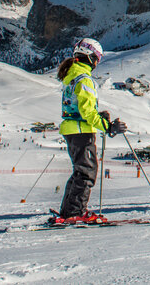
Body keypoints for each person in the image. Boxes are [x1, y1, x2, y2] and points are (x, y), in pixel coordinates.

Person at [53, 38, 126, 224]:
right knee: (87, 172)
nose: (96, 64)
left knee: (80, 171)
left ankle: (68, 210)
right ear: (90, 56)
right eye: (97, 59)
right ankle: (75, 212)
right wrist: (108, 126)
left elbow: (79, 106)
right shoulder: (84, 79)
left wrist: (98, 116)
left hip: (72, 129)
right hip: (81, 131)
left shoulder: (72, 75)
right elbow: (86, 111)